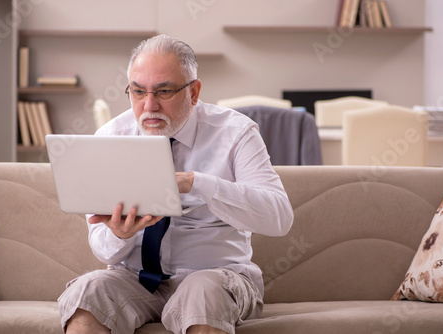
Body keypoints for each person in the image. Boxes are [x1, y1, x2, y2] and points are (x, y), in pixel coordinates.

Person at [58, 34, 294, 334]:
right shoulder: (111, 136)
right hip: (135, 280)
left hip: (216, 277)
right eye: (138, 91)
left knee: (202, 292)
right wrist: (120, 235)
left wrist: (196, 183)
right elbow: (105, 252)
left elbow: (279, 218)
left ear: (194, 92)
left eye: (164, 91)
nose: (149, 105)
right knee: (88, 293)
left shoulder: (236, 133)